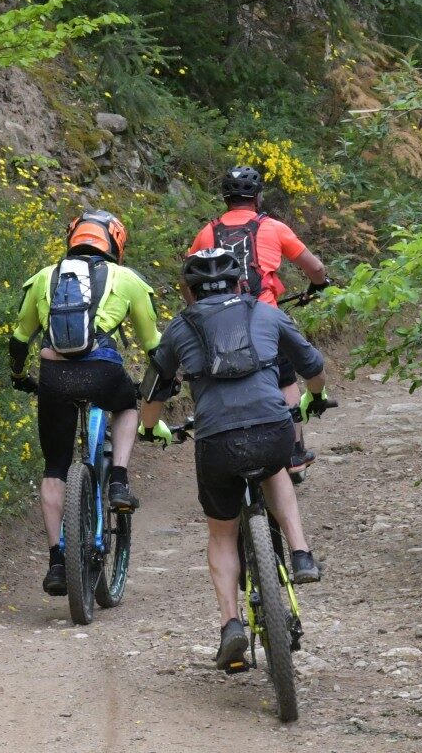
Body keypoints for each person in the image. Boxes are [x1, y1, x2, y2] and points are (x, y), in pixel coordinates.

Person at [138, 248, 332, 670]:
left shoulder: (180, 327)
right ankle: (300, 553)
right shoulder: (267, 313)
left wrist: (149, 428)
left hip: (217, 442)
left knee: (223, 534)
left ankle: (230, 624)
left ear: (190, 292)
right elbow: (313, 366)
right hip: (272, 430)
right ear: (240, 283)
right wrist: (315, 397)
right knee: (277, 468)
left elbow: (153, 390)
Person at [8, 210, 161, 597]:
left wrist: (19, 375)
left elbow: (20, 337)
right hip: (102, 373)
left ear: (72, 239)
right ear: (116, 244)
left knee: (54, 468)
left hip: (54, 377)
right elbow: (153, 345)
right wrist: (162, 383)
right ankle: (119, 481)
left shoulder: (45, 277)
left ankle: (57, 562)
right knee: (127, 405)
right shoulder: (126, 279)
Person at [187, 166, 334, 471]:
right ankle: (294, 452)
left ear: (225, 199)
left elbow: (186, 278)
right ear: (257, 197)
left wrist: (197, 309)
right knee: (285, 377)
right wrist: (318, 285)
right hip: (263, 316)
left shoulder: (207, 233)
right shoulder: (273, 228)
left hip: (218, 321)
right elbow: (316, 269)